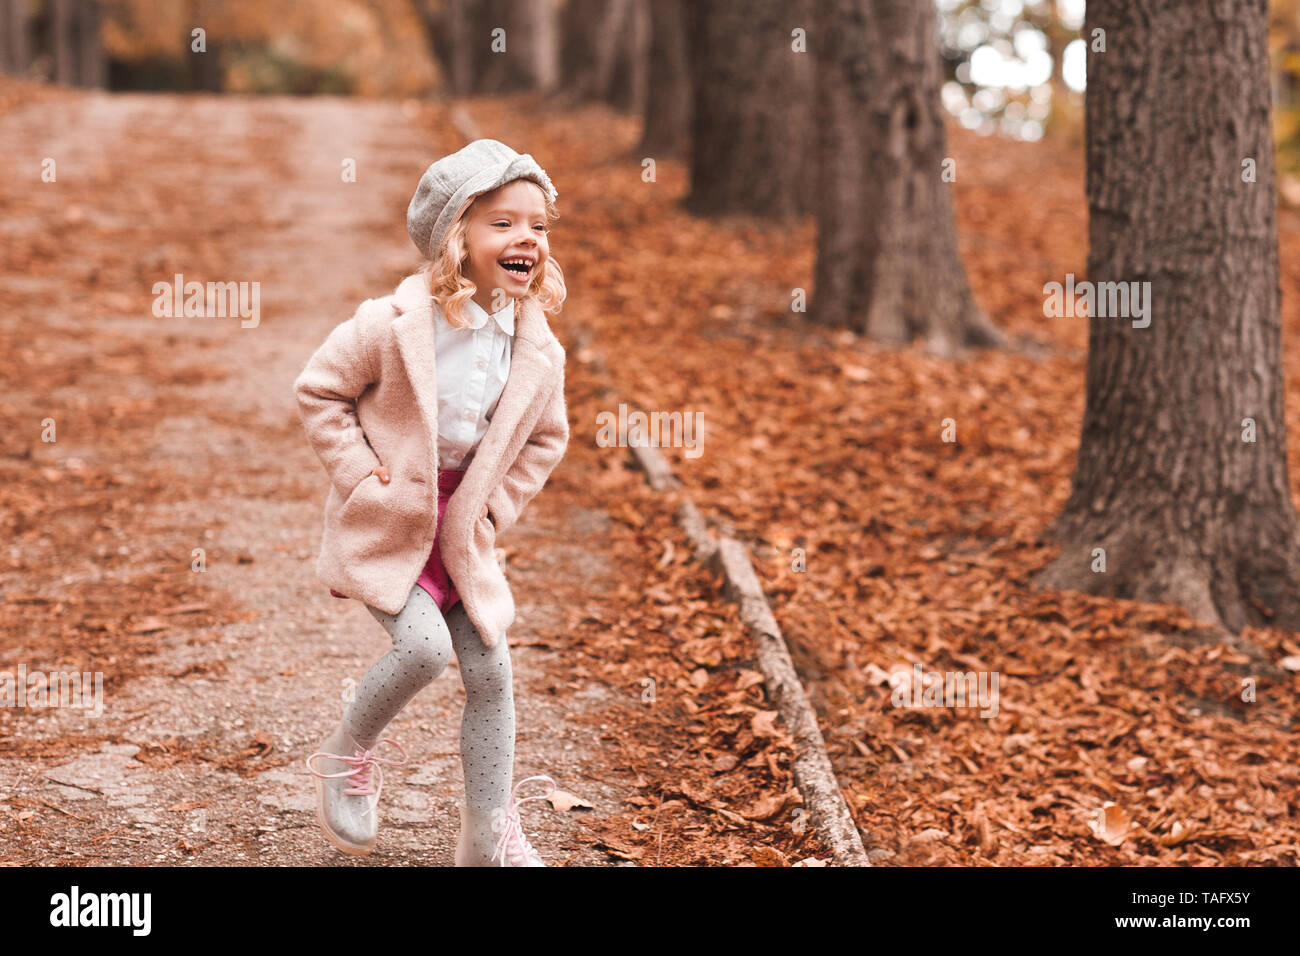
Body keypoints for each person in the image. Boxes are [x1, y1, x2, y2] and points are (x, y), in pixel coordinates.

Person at [294, 139, 570, 866]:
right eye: (503, 223)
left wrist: (494, 507)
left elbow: (546, 440)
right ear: (457, 236)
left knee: (491, 672)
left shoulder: (537, 349)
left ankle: (488, 837)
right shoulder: (393, 324)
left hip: (462, 535)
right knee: (423, 650)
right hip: (389, 523)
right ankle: (345, 754)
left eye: (538, 226)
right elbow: (320, 389)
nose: (526, 240)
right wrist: (360, 474)